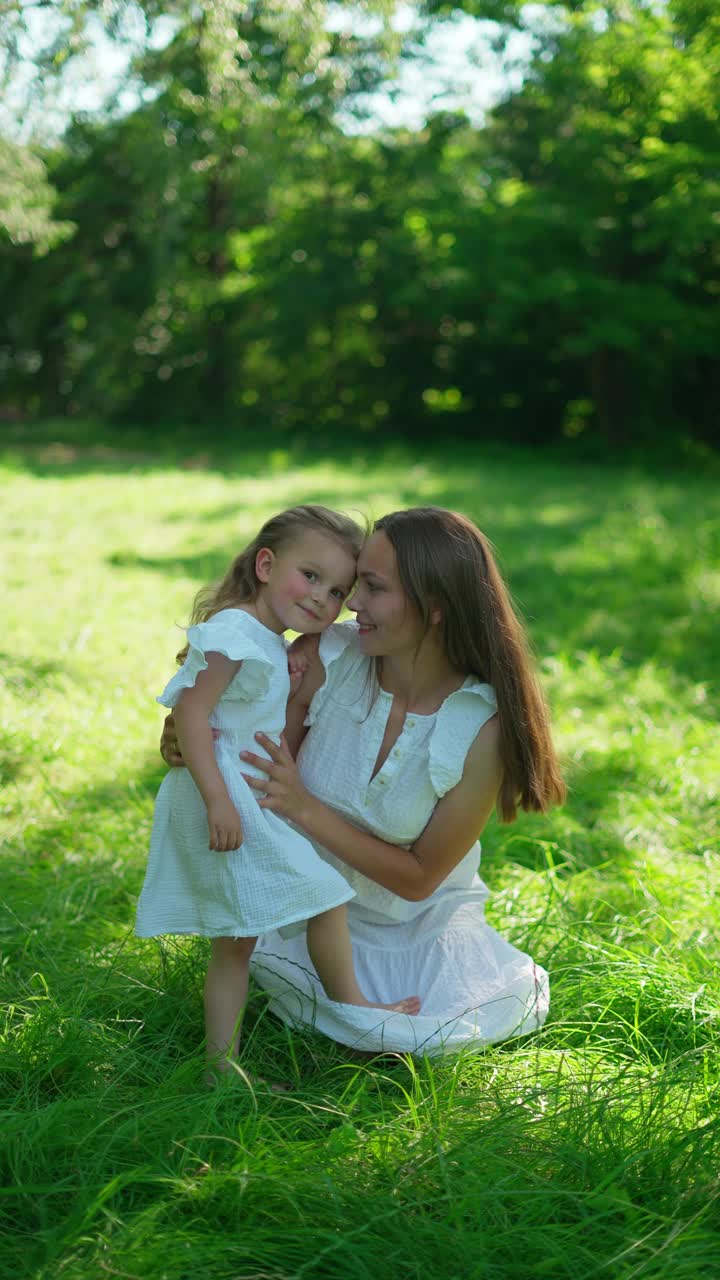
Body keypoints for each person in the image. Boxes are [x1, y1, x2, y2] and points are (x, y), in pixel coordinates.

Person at [162, 506, 566, 1058]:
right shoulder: (323, 657)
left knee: (435, 1028)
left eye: (371, 588)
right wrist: (189, 740)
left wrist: (306, 809)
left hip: (414, 927)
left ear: (435, 608)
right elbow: (244, 747)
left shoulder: (481, 726)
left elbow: (420, 879)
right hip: (305, 913)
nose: (350, 605)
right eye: (353, 587)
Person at [137, 504, 420, 1080]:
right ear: (266, 564)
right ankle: (358, 1014)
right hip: (228, 798)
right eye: (310, 576)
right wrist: (217, 800)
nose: (323, 598)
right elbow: (190, 716)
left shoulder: (265, 638)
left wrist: (287, 690)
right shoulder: (236, 632)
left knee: (238, 941)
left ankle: (222, 1066)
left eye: (338, 590)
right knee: (322, 895)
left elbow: (242, 717)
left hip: (244, 793)